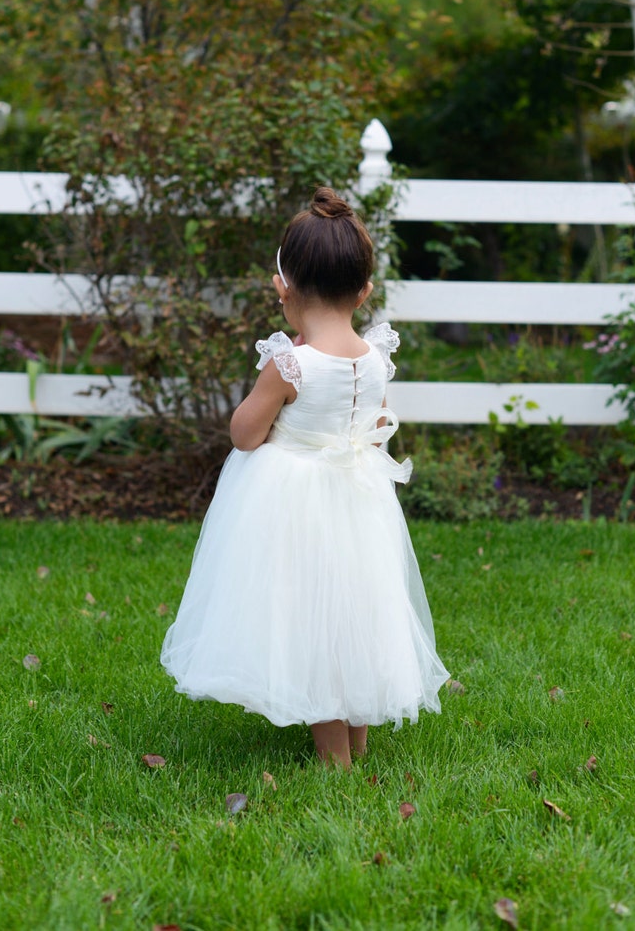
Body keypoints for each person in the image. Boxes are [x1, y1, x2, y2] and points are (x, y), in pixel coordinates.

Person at [161, 186, 449, 768]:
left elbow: (245, 432)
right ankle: (358, 741)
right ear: (365, 290)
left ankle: (335, 762)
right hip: (359, 494)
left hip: (294, 499)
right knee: (357, 609)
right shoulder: (374, 355)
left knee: (311, 616)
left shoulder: (290, 362)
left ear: (283, 287)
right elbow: (378, 422)